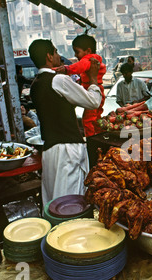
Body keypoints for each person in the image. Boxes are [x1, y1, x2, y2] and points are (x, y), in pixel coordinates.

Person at [28, 39, 102, 206]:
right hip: (67, 151)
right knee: (71, 204)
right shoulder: (58, 80)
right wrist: (93, 79)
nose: (58, 55)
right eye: (55, 52)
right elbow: (93, 102)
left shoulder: (35, 85)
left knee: (55, 201)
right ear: (49, 55)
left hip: (50, 152)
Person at [52, 34, 106, 139]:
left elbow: (79, 67)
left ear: (88, 51)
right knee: (96, 118)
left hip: (94, 90)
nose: (75, 55)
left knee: (88, 120)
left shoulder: (90, 59)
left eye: (77, 51)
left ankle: (91, 139)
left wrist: (66, 69)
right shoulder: (94, 59)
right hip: (99, 91)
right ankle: (99, 135)